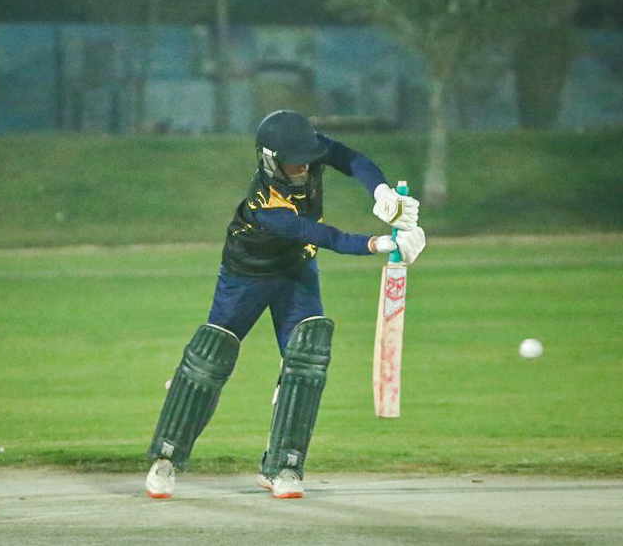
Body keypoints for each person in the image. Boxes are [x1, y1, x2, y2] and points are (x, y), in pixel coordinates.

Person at [146, 110, 426, 499]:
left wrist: (382, 193)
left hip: (297, 274)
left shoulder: (307, 150)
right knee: (207, 363)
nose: (304, 168)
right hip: (246, 277)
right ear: (270, 161)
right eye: (295, 163)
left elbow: (352, 159)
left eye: (307, 160)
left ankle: (283, 467)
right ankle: (166, 460)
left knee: (306, 362)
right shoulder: (266, 204)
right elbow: (322, 235)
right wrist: (379, 243)